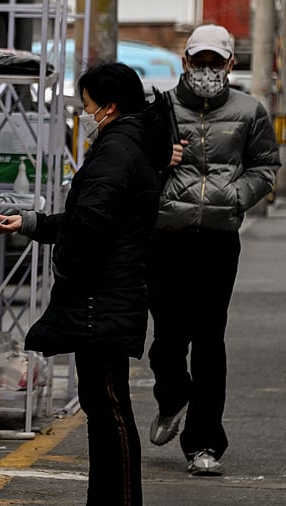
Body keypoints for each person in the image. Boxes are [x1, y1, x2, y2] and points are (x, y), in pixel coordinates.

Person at [0, 62, 173, 505]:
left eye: (87, 106)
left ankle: (120, 499)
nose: (83, 115)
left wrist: (68, 265)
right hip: (109, 294)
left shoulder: (117, 149)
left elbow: (89, 220)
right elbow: (86, 216)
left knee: (109, 406)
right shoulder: (128, 143)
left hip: (102, 296)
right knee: (103, 406)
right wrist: (30, 223)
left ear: (109, 107)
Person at [147, 24, 279, 476]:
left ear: (229, 64)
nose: (206, 70)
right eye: (198, 61)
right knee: (166, 339)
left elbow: (265, 165)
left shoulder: (249, 111)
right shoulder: (159, 109)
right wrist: (160, 162)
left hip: (218, 240)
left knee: (208, 340)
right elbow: (134, 164)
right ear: (184, 61)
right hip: (166, 237)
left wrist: (236, 196)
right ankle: (172, 398)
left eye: (214, 62)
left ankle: (204, 443)